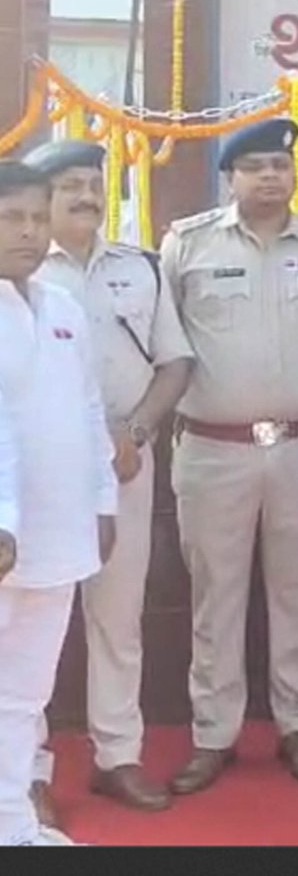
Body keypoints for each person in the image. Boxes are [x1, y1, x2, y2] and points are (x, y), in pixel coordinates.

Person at [159, 117, 298, 792]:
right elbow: (164, 347)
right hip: (214, 448)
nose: (271, 176)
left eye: (280, 165)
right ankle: (214, 733)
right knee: (215, 597)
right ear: (229, 177)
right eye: (255, 166)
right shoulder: (187, 245)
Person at [21, 141, 193, 820]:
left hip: (124, 462)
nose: (88, 196)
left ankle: (118, 755)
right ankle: (26, 770)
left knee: (119, 618)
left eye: (95, 183)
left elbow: (175, 363)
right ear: (42, 200)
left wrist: (139, 431)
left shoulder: (138, 267)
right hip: (38, 476)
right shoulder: (21, 271)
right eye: (71, 185)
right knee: (29, 626)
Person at [0, 162, 118, 847]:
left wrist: (103, 501)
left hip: (59, 534)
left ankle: (13, 826)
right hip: (3, 538)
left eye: (36, 218)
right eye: (11, 218)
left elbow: (89, 410)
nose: (27, 232)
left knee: (24, 696)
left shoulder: (64, 307)